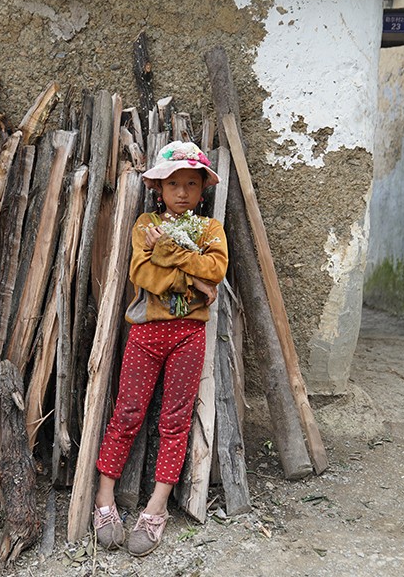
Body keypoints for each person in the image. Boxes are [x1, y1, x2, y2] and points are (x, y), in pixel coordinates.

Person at [92, 141, 228, 556]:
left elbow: (216, 269)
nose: (182, 192)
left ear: (202, 189)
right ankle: (103, 495)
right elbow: (143, 275)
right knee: (127, 413)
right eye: (173, 184)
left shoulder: (211, 230)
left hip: (189, 335)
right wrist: (193, 279)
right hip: (146, 333)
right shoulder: (144, 225)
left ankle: (157, 506)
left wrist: (168, 251)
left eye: (191, 184)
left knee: (175, 420)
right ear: (159, 188)